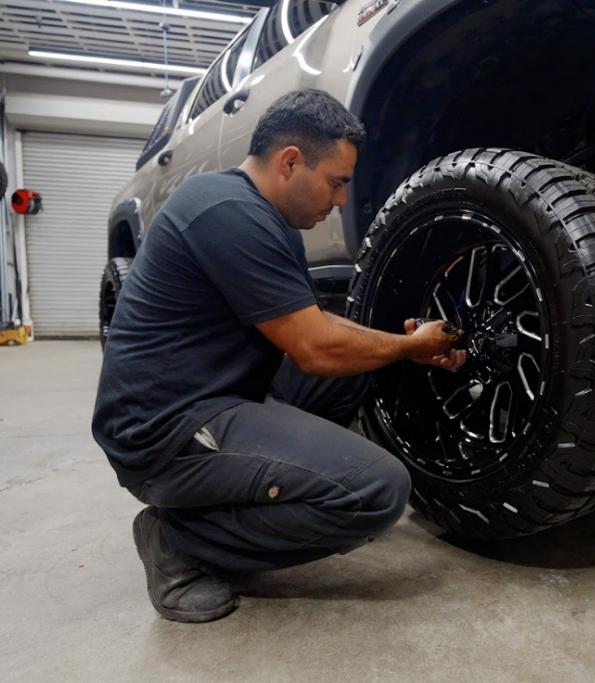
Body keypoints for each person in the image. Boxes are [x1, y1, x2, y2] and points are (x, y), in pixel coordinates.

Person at [92, 89, 465, 623]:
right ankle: (179, 541)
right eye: (336, 182)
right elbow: (314, 347)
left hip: (216, 395)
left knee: (354, 373)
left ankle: (287, 496)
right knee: (380, 490)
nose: (340, 200)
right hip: (162, 431)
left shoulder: (262, 216)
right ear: (290, 161)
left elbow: (314, 330)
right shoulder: (224, 211)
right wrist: (410, 345)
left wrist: (402, 350)